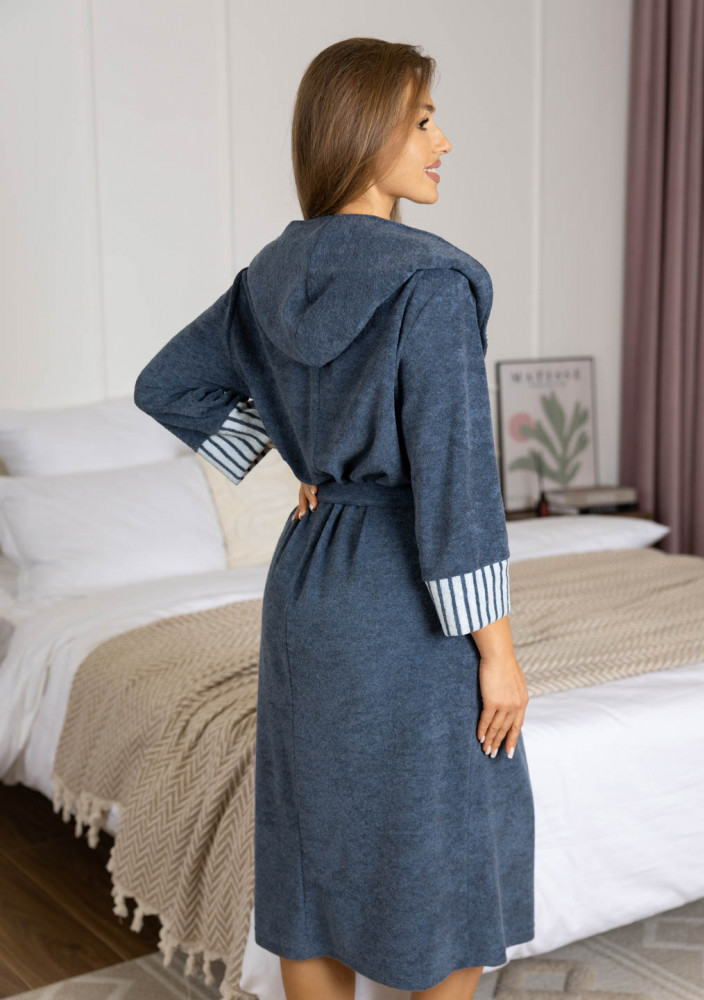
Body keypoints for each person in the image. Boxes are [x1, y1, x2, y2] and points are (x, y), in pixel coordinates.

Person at [133, 36, 534, 1000]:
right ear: (365, 132)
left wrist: (299, 459)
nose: (443, 141)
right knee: (447, 834)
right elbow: (456, 484)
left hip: (309, 581)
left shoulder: (269, 276)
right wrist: (498, 652)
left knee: (310, 838)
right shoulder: (430, 284)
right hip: (405, 598)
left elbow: (166, 383)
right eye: (423, 120)